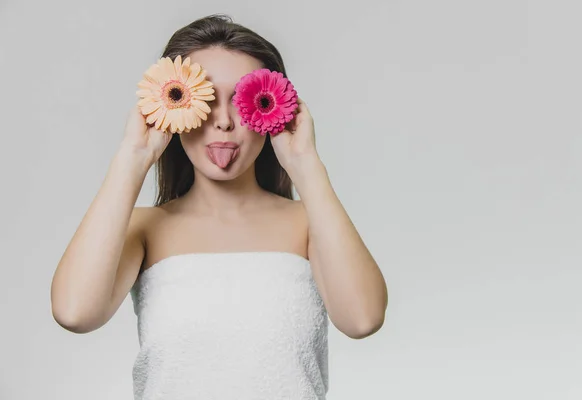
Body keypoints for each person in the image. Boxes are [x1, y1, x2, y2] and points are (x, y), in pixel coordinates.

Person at [50, 14, 388, 399]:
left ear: (271, 110)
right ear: (172, 105)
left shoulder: (311, 225)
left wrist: (305, 163)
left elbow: (363, 319)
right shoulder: (144, 230)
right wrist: (134, 155)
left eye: (244, 100)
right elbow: (74, 312)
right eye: (205, 99)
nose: (224, 121)